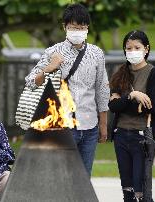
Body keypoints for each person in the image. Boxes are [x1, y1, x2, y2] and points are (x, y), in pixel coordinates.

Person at [25, 3, 109, 176]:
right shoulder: (53, 52)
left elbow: (101, 88)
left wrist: (103, 124)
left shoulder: (96, 53)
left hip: (90, 125)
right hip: (62, 126)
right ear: (64, 27)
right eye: (73, 27)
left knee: (84, 178)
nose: (77, 31)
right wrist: (49, 68)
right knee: (61, 177)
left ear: (87, 28)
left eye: (81, 27)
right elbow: (31, 82)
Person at [109, 30, 155, 202]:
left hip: (142, 138)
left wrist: (123, 103)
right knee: (128, 189)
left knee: (142, 190)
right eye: (128, 48)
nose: (132, 51)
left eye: (136, 47)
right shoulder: (120, 73)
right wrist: (133, 96)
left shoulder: (153, 73)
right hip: (121, 136)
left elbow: (148, 108)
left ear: (146, 49)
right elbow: (113, 106)